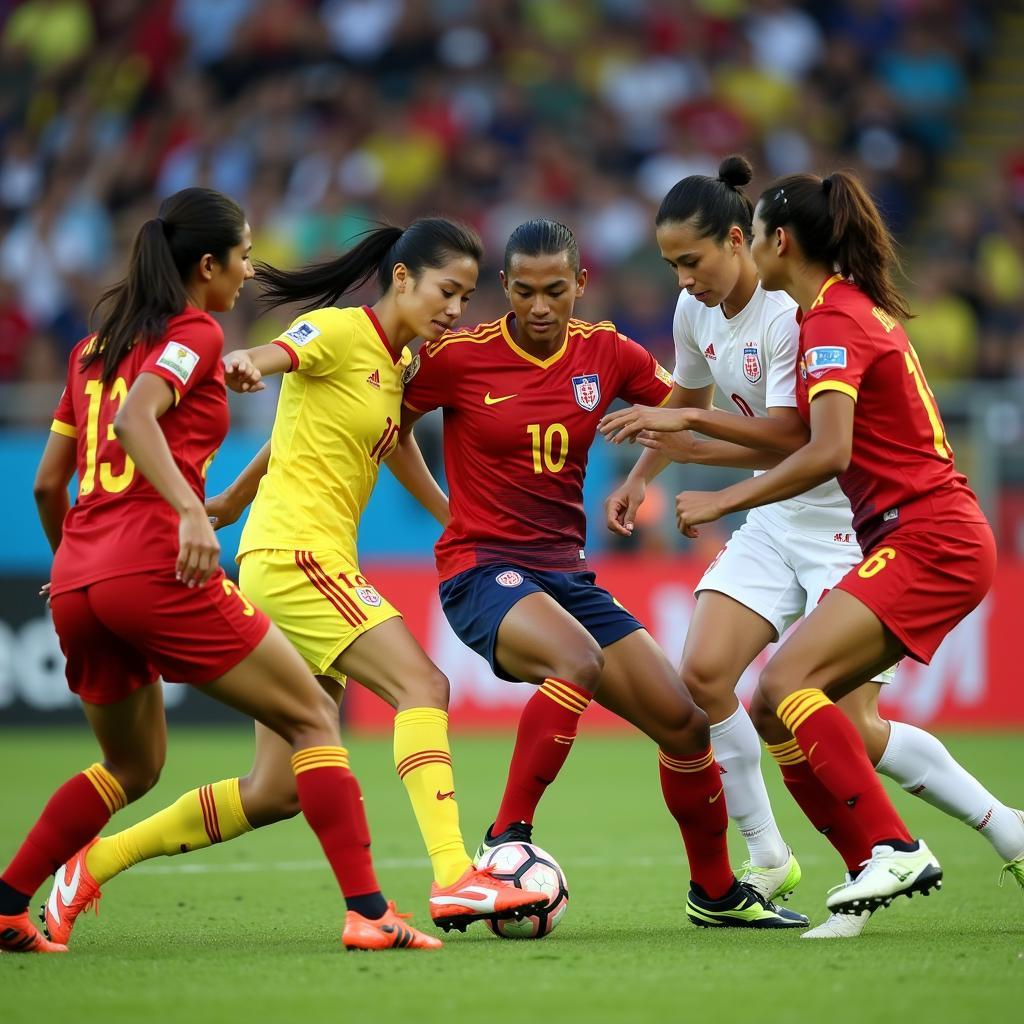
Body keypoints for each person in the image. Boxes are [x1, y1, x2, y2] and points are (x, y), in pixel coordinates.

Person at [43, 218, 547, 946]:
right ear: (402, 278)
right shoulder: (339, 332)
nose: (454, 309)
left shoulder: (397, 364)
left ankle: (92, 864)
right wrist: (250, 361)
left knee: (276, 789)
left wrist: (450, 515)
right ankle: (451, 876)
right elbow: (277, 354)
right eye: (447, 290)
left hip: (294, 557)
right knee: (423, 687)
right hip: (299, 559)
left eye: (466, 297)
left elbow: (366, 437)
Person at [1, 187, 440, 954]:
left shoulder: (88, 350)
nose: (247, 274)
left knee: (131, 766)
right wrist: (192, 513)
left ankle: (7, 904)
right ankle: (369, 912)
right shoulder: (195, 331)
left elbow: (47, 483)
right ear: (207, 265)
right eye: (241, 258)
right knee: (311, 718)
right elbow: (141, 419)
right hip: (156, 568)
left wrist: (68, 556)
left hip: (76, 583)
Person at [599, 156, 1024, 938]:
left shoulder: (807, 314)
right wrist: (649, 468)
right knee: (714, 678)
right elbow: (687, 405)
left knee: (824, 714)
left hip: (846, 526)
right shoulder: (721, 314)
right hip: (787, 517)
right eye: (671, 265)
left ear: (751, 240)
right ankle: (776, 856)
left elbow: (806, 438)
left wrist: (703, 465)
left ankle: (970, 832)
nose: (683, 279)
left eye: (692, 260)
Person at [400, 218, 807, 929]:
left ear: (580, 284)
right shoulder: (456, 357)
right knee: (576, 661)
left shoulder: (607, 352)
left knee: (684, 724)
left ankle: (714, 894)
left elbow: (683, 408)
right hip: (482, 570)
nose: (538, 306)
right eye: (523, 291)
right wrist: (445, 507)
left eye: (555, 290)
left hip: (567, 577)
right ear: (504, 287)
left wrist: (646, 476)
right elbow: (388, 427)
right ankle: (506, 838)